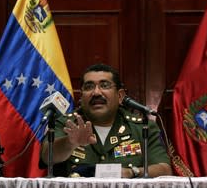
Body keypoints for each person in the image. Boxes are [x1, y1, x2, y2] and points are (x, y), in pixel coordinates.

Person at [40, 63, 172, 178]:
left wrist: (132, 172)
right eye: (89, 87)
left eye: (104, 85)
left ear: (120, 96)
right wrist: (70, 143)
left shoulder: (142, 127)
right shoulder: (66, 123)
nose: (96, 92)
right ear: (81, 96)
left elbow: (164, 170)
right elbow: (47, 157)